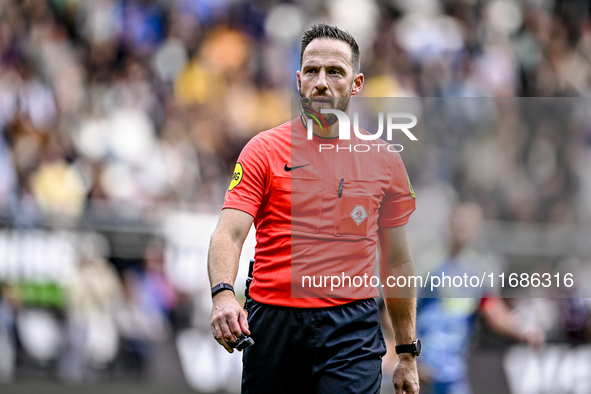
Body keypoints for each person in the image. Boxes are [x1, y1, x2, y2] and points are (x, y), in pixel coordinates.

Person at [208, 23, 419, 394]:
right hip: (273, 322)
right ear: (298, 79)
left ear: (356, 83)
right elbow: (230, 231)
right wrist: (224, 294)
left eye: (335, 71)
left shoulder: (386, 162)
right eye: (311, 71)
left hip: (350, 329)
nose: (321, 82)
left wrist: (406, 352)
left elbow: (397, 261)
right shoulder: (263, 150)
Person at [415, 202, 544, 394]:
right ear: (450, 222)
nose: (463, 225)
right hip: (421, 370)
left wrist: (524, 330)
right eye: (460, 219)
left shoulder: (477, 270)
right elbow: (395, 314)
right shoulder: (427, 266)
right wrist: (410, 358)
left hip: (452, 373)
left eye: (470, 221)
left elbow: (494, 312)